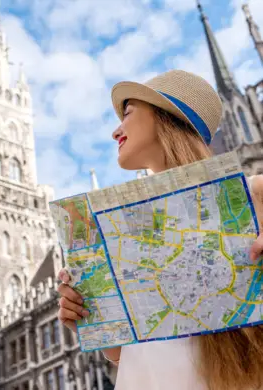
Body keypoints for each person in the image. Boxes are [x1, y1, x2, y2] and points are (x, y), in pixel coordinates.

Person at [57, 70, 263, 390]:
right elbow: (145, 358)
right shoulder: (123, 235)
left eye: (127, 113)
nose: (115, 131)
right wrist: (92, 319)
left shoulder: (254, 197)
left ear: (165, 118)